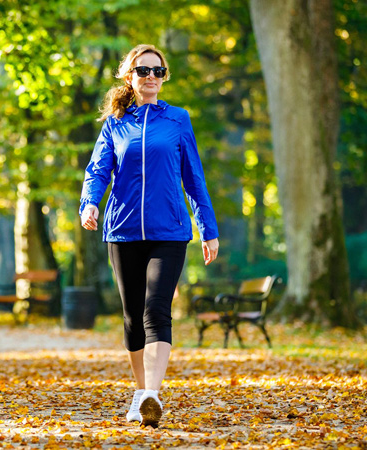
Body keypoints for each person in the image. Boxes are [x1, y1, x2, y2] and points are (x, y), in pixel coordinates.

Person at [79, 44, 220, 428]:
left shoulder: (177, 120)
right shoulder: (115, 124)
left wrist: (207, 228)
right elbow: (97, 171)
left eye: (158, 71)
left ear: (164, 77)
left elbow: (194, 177)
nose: (152, 78)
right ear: (130, 77)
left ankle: (153, 395)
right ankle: (140, 393)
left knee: (156, 310)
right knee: (132, 318)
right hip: (122, 231)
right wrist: (89, 203)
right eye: (144, 71)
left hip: (170, 231)